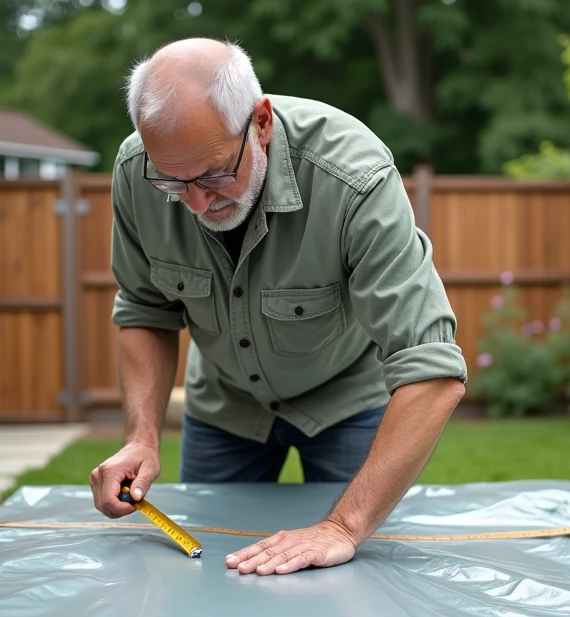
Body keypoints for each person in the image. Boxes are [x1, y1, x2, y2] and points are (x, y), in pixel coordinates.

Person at [89, 37, 467, 576]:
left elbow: (432, 365)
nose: (197, 203)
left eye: (214, 174)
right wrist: (141, 437)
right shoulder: (133, 173)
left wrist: (342, 527)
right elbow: (146, 310)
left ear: (260, 122)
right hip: (224, 406)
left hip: (347, 403)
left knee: (356, 582)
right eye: (173, 182)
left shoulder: (355, 180)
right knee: (211, 583)